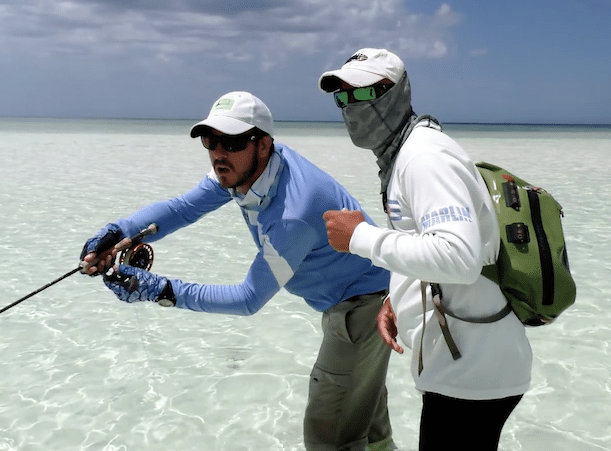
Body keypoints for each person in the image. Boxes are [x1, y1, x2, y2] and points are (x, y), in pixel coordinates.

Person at [79, 91, 397, 451]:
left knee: (328, 437)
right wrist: (118, 234)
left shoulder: (293, 213)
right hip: (361, 298)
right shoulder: (247, 169)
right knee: (368, 430)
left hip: (362, 309)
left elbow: (248, 299)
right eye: (210, 141)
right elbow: (183, 209)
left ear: (262, 145)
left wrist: (161, 290)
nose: (218, 153)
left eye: (230, 142)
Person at [318, 49, 532, 451]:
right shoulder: (403, 154)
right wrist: (396, 301)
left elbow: (459, 257)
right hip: (464, 366)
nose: (350, 107)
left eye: (363, 94)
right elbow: (428, 243)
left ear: (396, 92)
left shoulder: (423, 158)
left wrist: (360, 238)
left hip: (472, 374)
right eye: (342, 97)